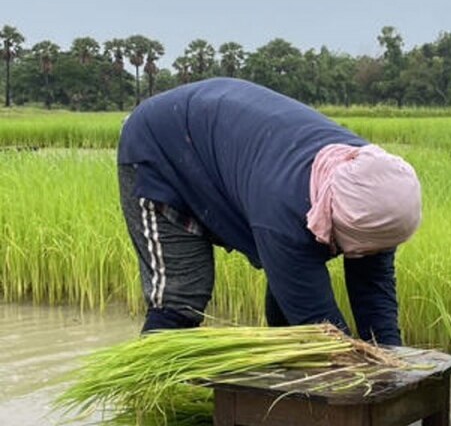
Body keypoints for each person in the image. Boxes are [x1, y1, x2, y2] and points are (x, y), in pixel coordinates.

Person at [116, 78, 421, 346]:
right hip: (162, 151)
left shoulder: (376, 188)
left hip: (231, 140)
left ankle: (288, 393)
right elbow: (319, 330)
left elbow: (373, 292)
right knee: (181, 298)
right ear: (330, 218)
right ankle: (154, 400)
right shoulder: (285, 215)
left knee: (294, 284)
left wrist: (393, 360)